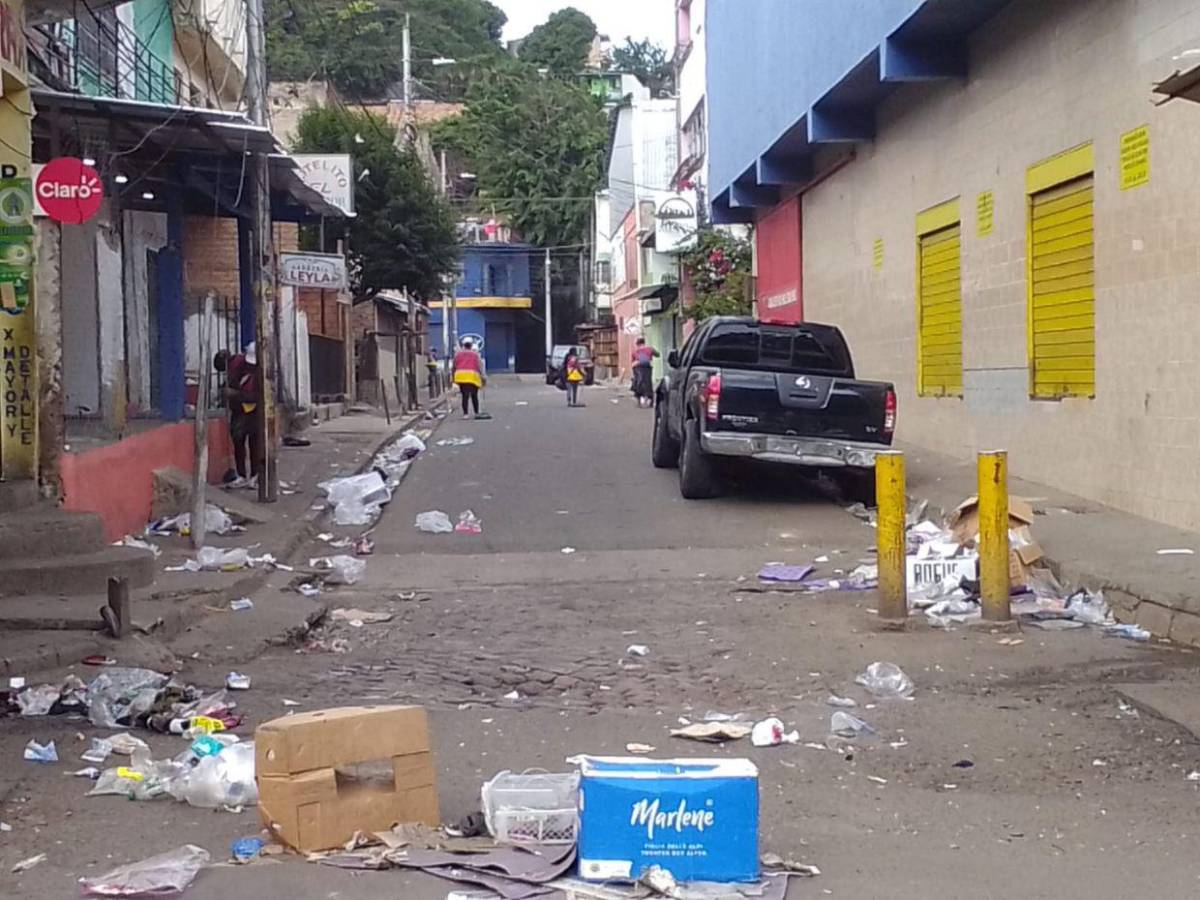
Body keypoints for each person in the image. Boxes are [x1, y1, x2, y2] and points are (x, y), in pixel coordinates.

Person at [214, 342, 262, 489]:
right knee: (239, 444)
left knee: (254, 444)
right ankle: (243, 476)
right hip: (239, 410)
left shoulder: (257, 372)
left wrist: (234, 394)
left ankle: (255, 475)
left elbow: (255, 395)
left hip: (251, 411)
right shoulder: (237, 366)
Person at [452, 338, 486, 419]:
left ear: (463, 345)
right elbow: (480, 366)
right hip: (472, 376)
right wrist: (483, 377)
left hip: (460, 376)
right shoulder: (475, 354)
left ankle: (465, 414)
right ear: (471, 345)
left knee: (465, 395)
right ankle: (476, 412)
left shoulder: (457, 354)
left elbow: (454, 366)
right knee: (474, 395)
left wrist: (453, 377)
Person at [631, 337, 660, 408]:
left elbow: (632, 362)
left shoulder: (635, 351)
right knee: (647, 385)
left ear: (638, 344)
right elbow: (658, 354)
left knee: (638, 384)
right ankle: (646, 402)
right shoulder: (650, 349)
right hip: (647, 369)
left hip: (637, 369)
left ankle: (638, 403)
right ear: (644, 343)